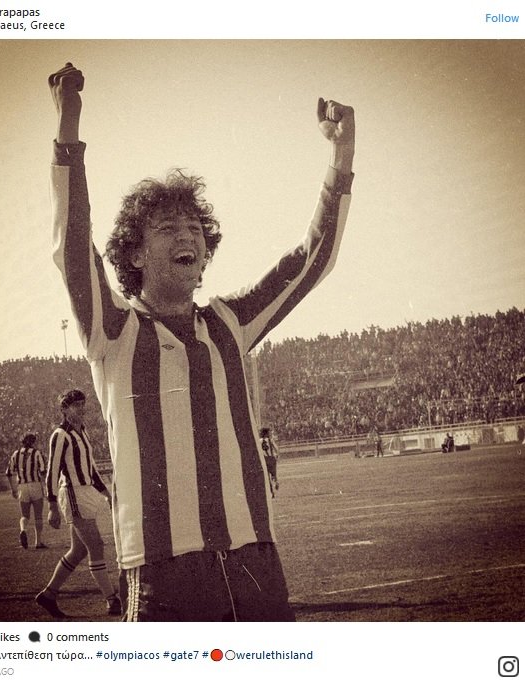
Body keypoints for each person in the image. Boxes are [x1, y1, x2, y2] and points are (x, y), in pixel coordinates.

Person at [48, 62, 355, 621]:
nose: (187, 235)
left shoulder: (230, 322)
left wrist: (341, 159)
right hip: (165, 571)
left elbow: (309, 263)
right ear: (136, 254)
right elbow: (73, 246)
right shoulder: (113, 330)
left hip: (256, 560)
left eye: (194, 228)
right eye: (167, 228)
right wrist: (68, 129)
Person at [35, 389, 121, 618]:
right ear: (64, 409)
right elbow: (52, 471)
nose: (81, 408)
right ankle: (112, 599)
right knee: (96, 545)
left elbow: (91, 468)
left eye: (83, 404)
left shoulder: (82, 431)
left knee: (79, 550)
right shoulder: (60, 435)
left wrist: (106, 493)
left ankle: (48, 595)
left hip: (86, 493)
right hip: (72, 494)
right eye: (76, 405)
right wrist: (52, 505)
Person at [5, 433, 48, 549]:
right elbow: (43, 471)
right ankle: (38, 542)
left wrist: (13, 489)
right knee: (38, 515)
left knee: (25, 515)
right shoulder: (36, 453)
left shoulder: (16, 454)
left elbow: (8, 473)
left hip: (22, 486)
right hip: (35, 485)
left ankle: (23, 529)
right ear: (33, 442)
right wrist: (45, 487)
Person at [259, 427, 279, 498]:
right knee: (274, 474)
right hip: (271, 459)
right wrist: (276, 455)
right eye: (269, 432)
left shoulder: (259, 441)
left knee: (267, 478)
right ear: (266, 433)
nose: (270, 434)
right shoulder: (270, 440)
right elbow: (276, 449)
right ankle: (276, 482)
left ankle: (271, 493)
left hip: (264, 460)